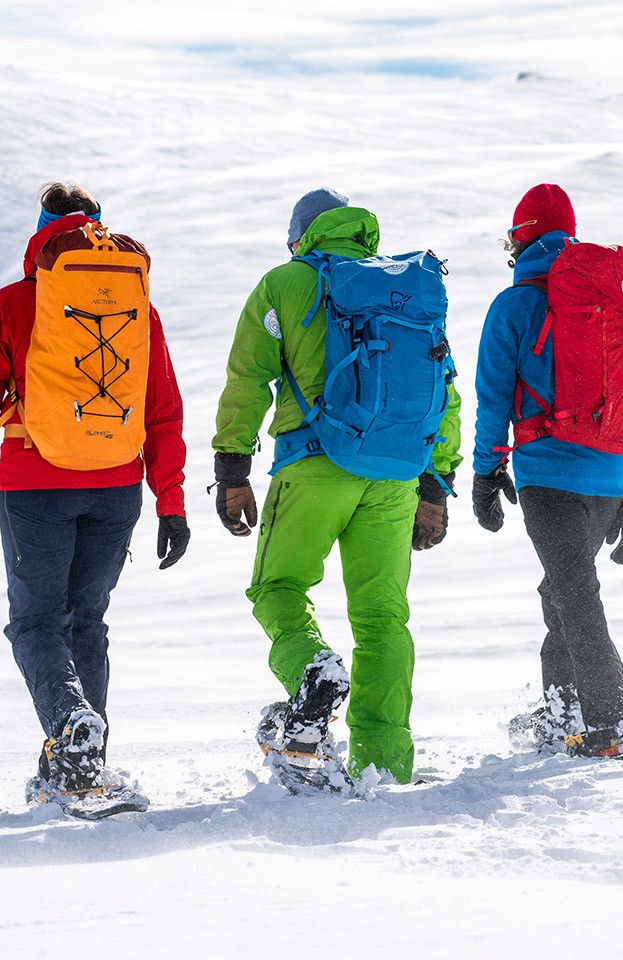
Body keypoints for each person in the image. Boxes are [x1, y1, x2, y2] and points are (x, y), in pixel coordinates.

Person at [212, 188, 463, 787]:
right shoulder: (407, 287)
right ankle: (385, 766)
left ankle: (311, 673)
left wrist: (232, 471)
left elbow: (249, 378)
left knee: (278, 586)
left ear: (301, 236)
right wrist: (437, 483)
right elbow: (443, 387)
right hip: (397, 476)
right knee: (382, 619)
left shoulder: (285, 283)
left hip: (313, 467)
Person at [0, 181, 189, 802]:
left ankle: (68, 729)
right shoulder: (138, 308)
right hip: (118, 484)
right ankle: (81, 768)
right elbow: (162, 409)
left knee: (36, 622)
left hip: (36, 486)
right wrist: (172, 503)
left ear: (39, 232)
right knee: (88, 621)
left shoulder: (9, 306)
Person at [470, 183, 623, 758]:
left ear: (519, 241)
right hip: (609, 477)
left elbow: (492, 399)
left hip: (548, 477)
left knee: (576, 596)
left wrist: (484, 472)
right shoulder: (611, 301)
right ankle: (563, 717)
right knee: (563, 589)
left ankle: (611, 726)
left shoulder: (515, 304)